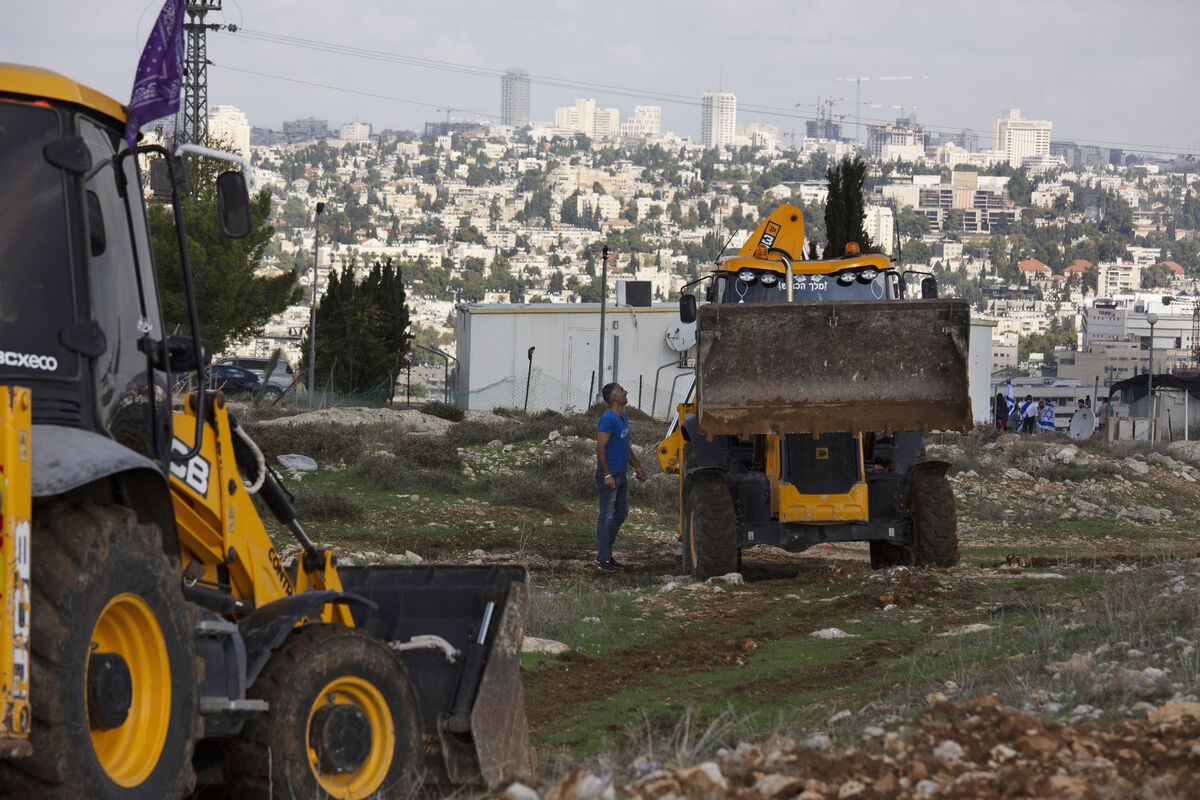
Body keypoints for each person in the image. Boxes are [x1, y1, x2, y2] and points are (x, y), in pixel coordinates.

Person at [595, 382, 645, 572]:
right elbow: (600, 449)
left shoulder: (623, 417)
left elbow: (625, 446)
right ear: (615, 397)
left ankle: (605, 552)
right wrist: (607, 475)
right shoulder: (608, 419)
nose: (626, 392)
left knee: (621, 513)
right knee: (606, 516)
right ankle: (604, 558)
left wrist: (637, 466)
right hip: (610, 475)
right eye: (622, 390)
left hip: (621, 474)